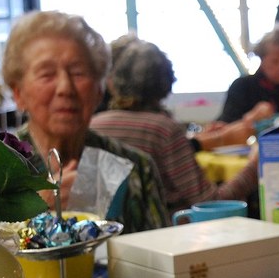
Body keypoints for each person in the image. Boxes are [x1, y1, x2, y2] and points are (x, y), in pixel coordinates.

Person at [1, 10, 169, 233]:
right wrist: (38, 210)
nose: (65, 88)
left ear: (100, 91)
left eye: (78, 72)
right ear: (18, 93)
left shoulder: (136, 168)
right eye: (47, 74)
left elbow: (163, 258)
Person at [90, 37, 258, 216]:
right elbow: (210, 203)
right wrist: (254, 167)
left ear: (113, 80)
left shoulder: (95, 125)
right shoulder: (164, 130)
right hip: (167, 233)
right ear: (167, 81)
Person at [216, 24, 279, 124]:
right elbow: (223, 127)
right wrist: (251, 117)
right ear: (262, 59)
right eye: (275, 61)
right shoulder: (242, 86)